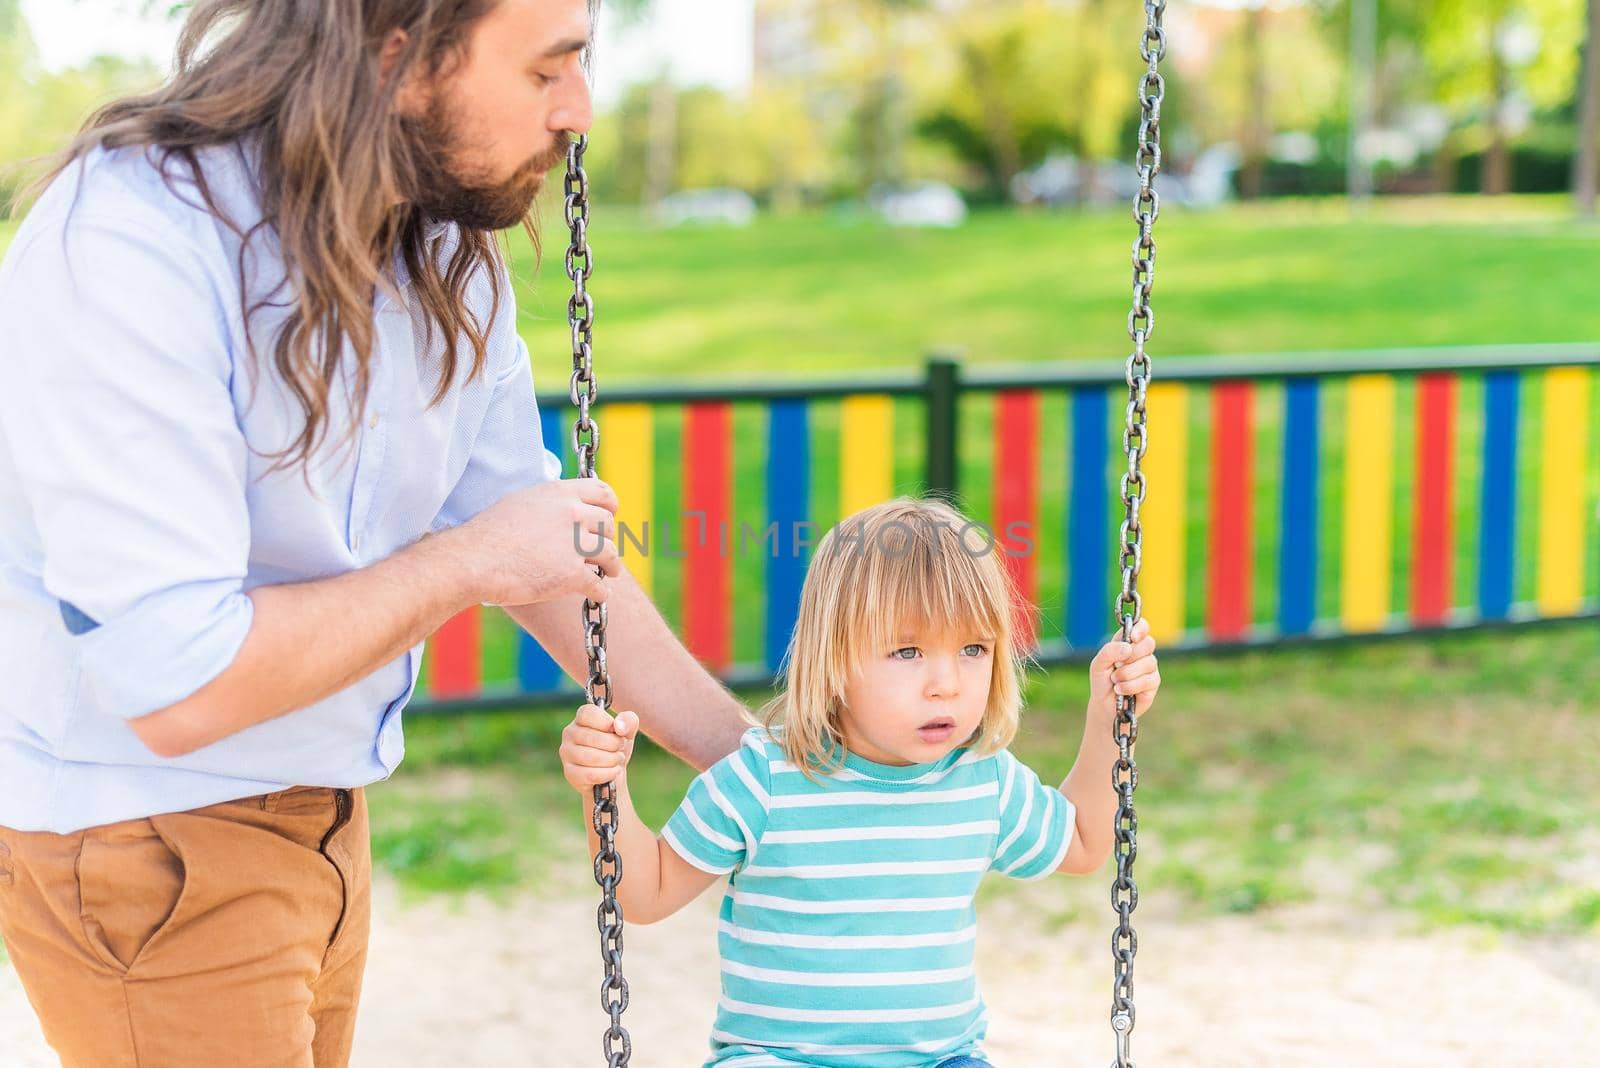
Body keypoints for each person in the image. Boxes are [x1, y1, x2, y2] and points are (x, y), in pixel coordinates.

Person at [0, 2, 747, 1065]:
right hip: (144, 833)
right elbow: (174, 684)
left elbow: (544, 558)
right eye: (548, 72)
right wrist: (470, 562)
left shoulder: (439, 245)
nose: (579, 112)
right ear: (401, 59)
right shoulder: (134, 240)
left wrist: (761, 763)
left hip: (323, 813)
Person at [560, 497, 1163, 1067]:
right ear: (833, 659)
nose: (946, 684)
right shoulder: (765, 778)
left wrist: (1108, 718)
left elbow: (1083, 843)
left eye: (974, 649)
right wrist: (603, 789)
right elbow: (645, 893)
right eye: (907, 652)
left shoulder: (983, 783)